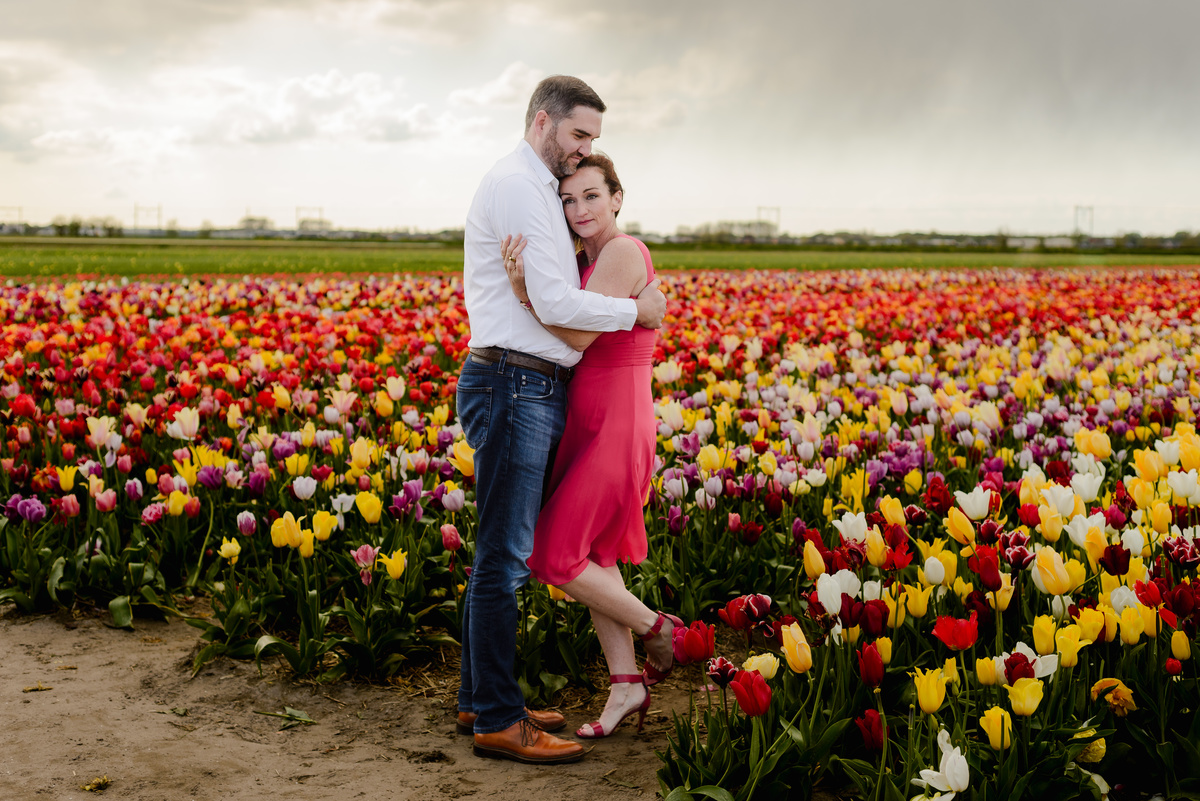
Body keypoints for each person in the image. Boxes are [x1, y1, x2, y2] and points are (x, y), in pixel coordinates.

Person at [456, 75, 667, 765]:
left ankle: (484, 697)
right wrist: (634, 312)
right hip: (516, 380)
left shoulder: (541, 189)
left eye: (593, 149)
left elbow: (549, 294)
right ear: (544, 121)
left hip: (527, 382)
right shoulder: (521, 185)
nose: (580, 154)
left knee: (503, 551)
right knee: (510, 558)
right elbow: (552, 297)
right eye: (578, 135)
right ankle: (496, 716)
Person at [499, 152, 682, 740]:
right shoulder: (587, 258)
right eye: (569, 199)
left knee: (551, 556)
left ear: (617, 198)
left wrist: (527, 292)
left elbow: (578, 333)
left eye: (591, 196)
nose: (579, 209)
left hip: (617, 416)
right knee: (598, 559)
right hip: (589, 412)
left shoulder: (623, 252)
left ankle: (661, 629)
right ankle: (626, 684)